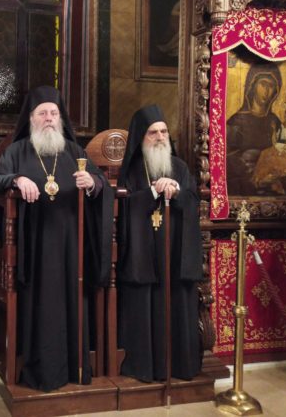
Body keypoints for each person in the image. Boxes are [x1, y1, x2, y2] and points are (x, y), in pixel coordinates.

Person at [0, 86, 113, 392]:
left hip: (72, 246)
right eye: (42, 113)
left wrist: (92, 182)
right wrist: (17, 179)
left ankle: (74, 368)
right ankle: (41, 370)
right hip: (34, 246)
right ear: (31, 119)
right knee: (41, 307)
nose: (48, 118)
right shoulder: (17, 151)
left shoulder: (74, 152)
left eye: (53, 113)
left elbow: (102, 184)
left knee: (73, 303)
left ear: (60, 119)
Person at [117, 104, 203, 383]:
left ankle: (179, 365)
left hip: (175, 253)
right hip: (144, 255)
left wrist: (177, 191)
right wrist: (153, 192)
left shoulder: (180, 167)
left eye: (164, 131)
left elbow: (193, 202)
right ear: (141, 137)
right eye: (153, 132)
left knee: (176, 305)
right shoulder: (131, 170)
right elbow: (124, 208)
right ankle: (146, 367)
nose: (160, 137)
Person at [227, 63, 282, 195]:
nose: (266, 91)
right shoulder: (237, 121)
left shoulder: (275, 121)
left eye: (271, 86)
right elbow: (226, 156)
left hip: (271, 185)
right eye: (263, 84)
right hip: (243, 185)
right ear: (252, 85)